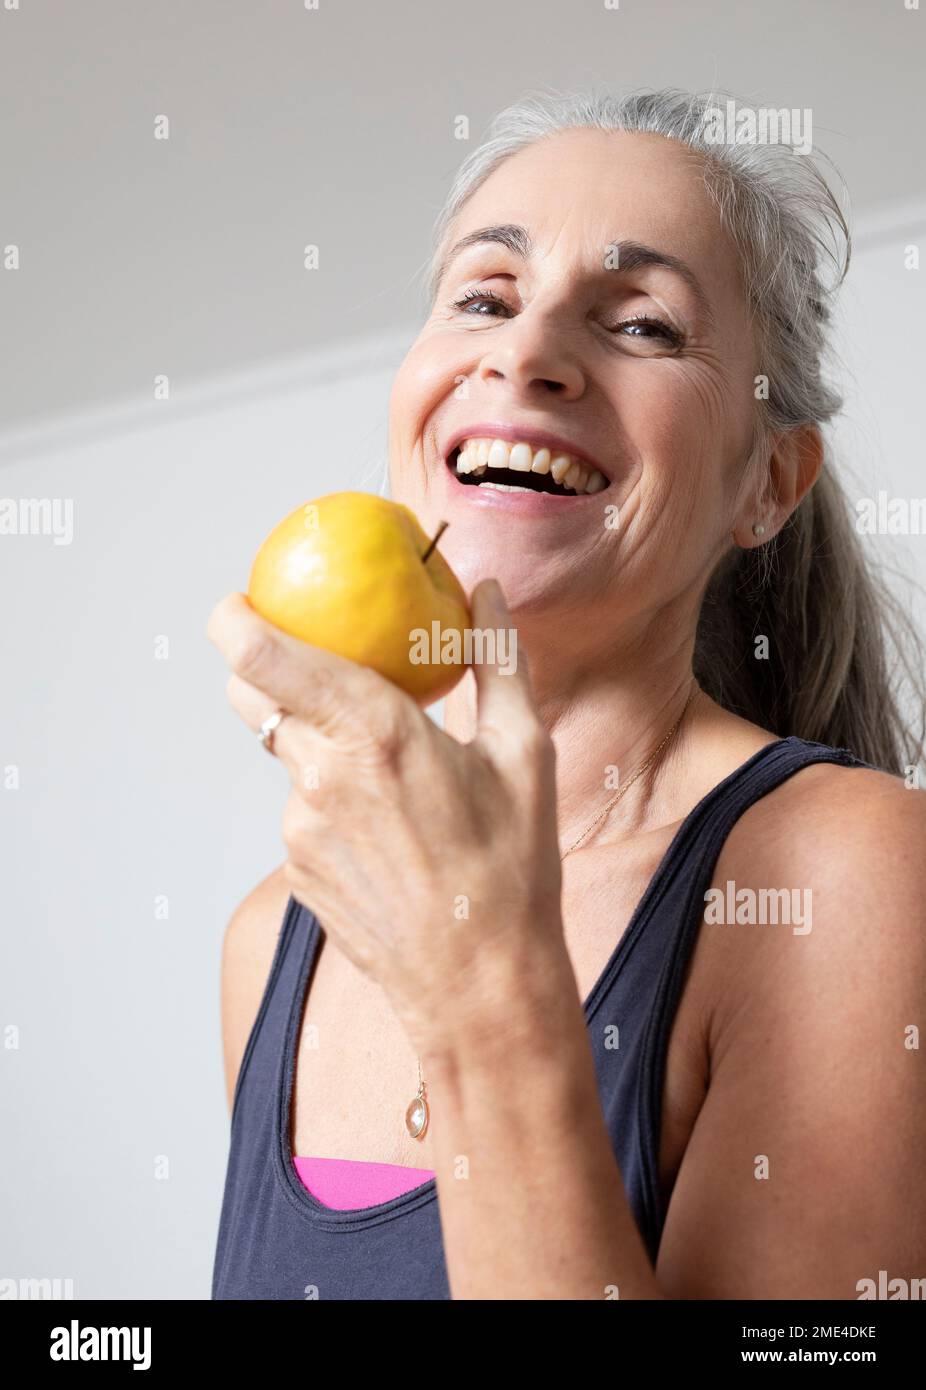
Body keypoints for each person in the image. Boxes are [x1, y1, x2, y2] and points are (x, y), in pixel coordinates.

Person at [207, 88, 926, 1300]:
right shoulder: (273, 930)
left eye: (641, 325)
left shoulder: (851, 878)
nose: (525, 353)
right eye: (484, 298)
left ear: (766, 483)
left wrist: (478, 990)